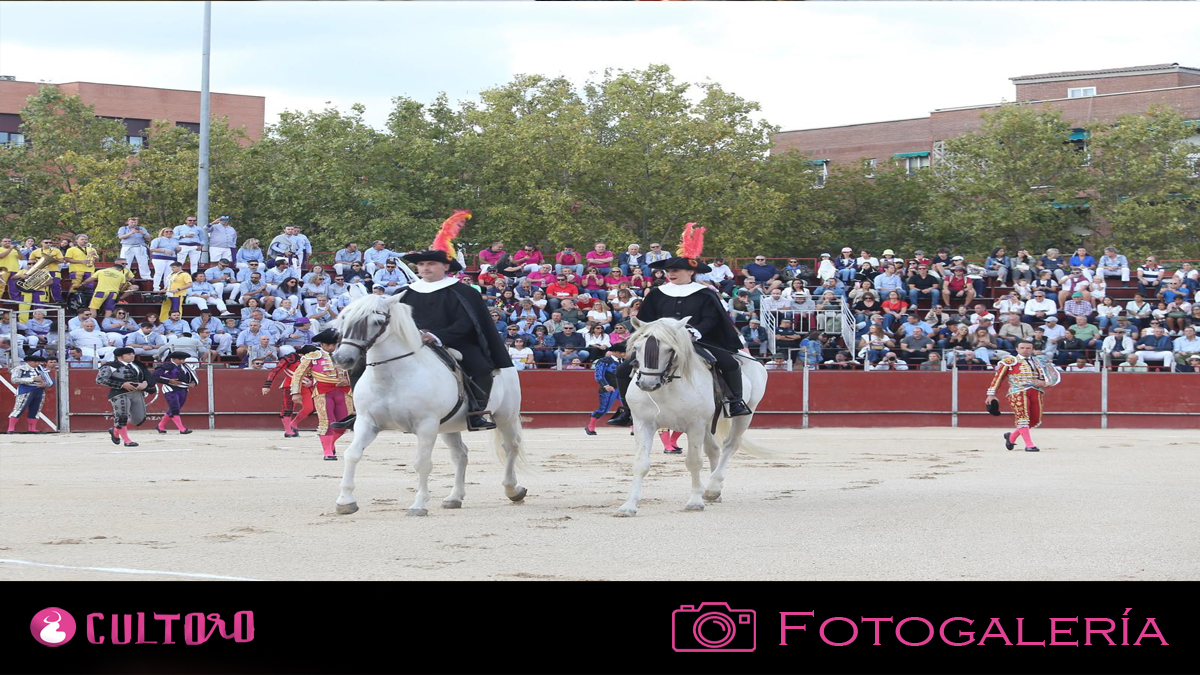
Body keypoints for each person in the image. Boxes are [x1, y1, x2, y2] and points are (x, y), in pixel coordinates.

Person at [612, 223, 752, 426]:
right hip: (661, 342)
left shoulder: (704, 293)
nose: (669, 274)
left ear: (690, 271)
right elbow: (647, 318)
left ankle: (735, 401)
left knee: (729, 363)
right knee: (624, 369)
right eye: (668, 270)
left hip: (698, 340)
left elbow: (712, 319)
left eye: (675, 270)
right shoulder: (658, 293)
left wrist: (695, 331)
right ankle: (627, 409)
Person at [291, 330, 354, 460]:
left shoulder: (346, 354)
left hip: (344, 391)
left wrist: (348, 380)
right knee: (326, 422)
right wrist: (296, 392)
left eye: (333, 344)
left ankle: (330, 444)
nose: (331, 347)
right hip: (323, 392)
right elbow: (298, 374)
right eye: (327, 345)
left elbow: (355, 371)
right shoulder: (313, 356)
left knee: (344, 423)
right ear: (321, 344)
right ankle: (328, 452)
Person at [986, 340, 1053, 452]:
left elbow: (1049, 377)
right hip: (1017, 391)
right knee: (1022, 418)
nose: (1025, 350)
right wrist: (991, 394)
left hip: (1036, 391)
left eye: (1028, 348)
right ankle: (1029, 445)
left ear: (1032, 349)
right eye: (1022, 348)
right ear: (1017, 349)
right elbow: (998, 377)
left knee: (1035, 420)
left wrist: (1044, 383)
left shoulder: (1038, 361)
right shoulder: (1009, 361)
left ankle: (1011, 437)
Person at [96, 347, 158, 447]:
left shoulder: (138, 365)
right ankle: (127, 440)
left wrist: (145, 383)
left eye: (132, 354)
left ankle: (115, 430)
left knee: (139, 418)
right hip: (119, 393)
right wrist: (122, 384)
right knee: (121, 416)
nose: (132, 355)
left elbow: (149, 377)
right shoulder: (110, 366)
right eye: (129, 354)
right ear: (119, 356)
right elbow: (100, 379)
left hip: (138, 393)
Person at [262, 344, 318, 437]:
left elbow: (317, 372)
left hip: (305, 386)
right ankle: (288, 430)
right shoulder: (291, 358)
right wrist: (267, 385)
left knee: (310, 408)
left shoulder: (314, 359)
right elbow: (276, 370)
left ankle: (293, 424)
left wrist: (312, 382)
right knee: (288, 408)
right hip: (290, 386)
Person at [6, 354, 54, 434]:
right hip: (25, 390)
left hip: (39, 390)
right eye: (35, 361)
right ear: (28, 361)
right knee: (19, 409)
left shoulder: (41, 369)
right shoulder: (20, 368)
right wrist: (32, 379)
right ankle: (10, 429)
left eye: (39, 361)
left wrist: (45, 384)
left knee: (36, 409)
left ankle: (32, 429)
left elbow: (49, 380)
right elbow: (14, 380)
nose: (37, 363)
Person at [152, 352, 198, 435]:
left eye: (183, 359)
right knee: (175, 407)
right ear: (173, 359)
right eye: (180, 359)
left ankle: (160, 425)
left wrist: (193, 383)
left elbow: (192, 376)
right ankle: (182, 429)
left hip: (183, 389)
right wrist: (168, 381)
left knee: (175, 408)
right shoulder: (166, 366)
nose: (182, 361)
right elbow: (154, 376)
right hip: (170, 388)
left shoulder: (186, 367)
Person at [586, 344, 625, 435]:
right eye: (621, 352)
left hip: (622, 389)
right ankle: (590, 426)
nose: (623, 354)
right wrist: (605, 385)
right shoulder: (604, 361)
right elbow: (599, 375)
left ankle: (633, 428)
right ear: (614, 352)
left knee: (630, 408)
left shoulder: (625, 361)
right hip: (609, 388)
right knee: (603, 409)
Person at [117, 217, 153, 281]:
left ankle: (146, 276)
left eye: (135, 222)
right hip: (127, 246)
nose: (134, 223)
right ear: (128, 222)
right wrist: (132, 232)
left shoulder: (142, 229)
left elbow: (148, 238)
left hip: (139, 246)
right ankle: (124, 276)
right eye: (132, 222)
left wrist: (143, 233)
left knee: (143, 262)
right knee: (125, 262)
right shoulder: (123, 228)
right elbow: (121, 237)